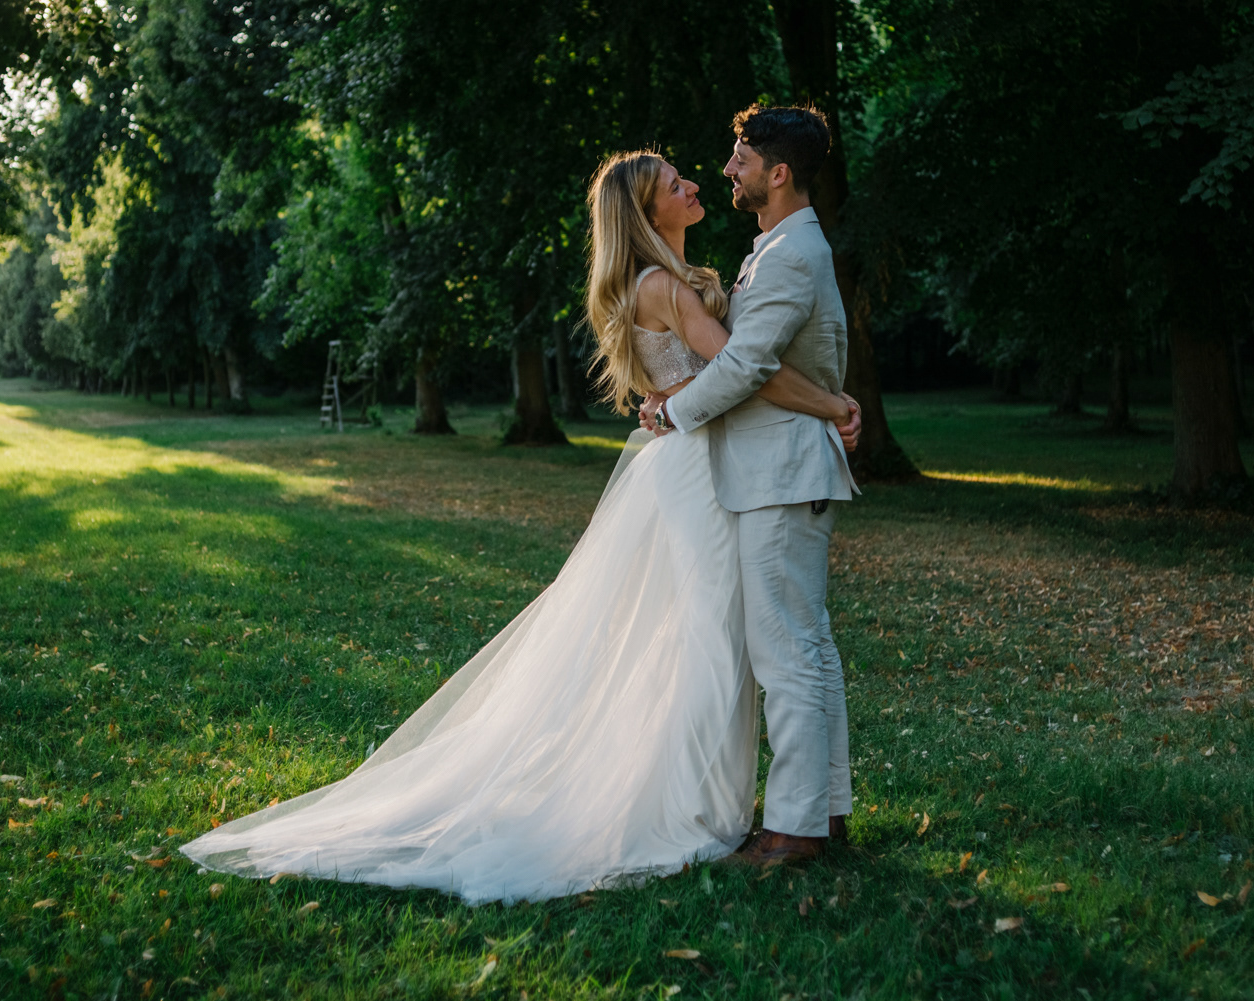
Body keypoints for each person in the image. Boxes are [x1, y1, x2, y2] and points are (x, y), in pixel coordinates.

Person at [178, 138, 859, 904]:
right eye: (675, 183)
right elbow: (744, 369)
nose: (697, 183)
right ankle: (695, 806)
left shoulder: (666, 282)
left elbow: (733, 369)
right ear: (644, 212)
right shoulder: (665, 289)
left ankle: (745, 802)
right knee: (710, 636)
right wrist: (832, 404)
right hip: (696, 466)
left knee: (709, 634)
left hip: (691, 464)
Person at [640, 103, 858, 868]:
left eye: (741, 159)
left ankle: (794, 829)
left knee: (787, 652)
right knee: (809, 645)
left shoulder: (791, 254)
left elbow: (746, 366)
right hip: (781, 467)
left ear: (780, 172)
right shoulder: (777, 248)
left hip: (779, 472)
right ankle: (824, 808)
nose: (728, 169)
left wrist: (673, 412)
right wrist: (835, 403)